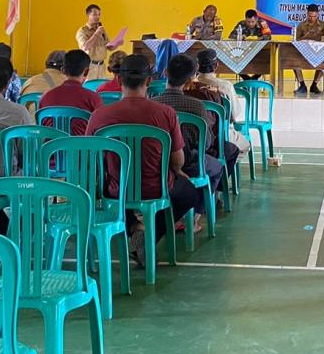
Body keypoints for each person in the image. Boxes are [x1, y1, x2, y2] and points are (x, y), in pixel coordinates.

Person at [85, 55, 203, 267]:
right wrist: (177, 171)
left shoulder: (99, 116)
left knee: (121, 189)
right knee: (190, 194)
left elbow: (90, 158)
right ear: (149, 81)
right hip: (156, 187)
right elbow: (178, 160)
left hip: (115, 188)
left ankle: (135, 229)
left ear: (119, 81)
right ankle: (149, 233)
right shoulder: (165, 113)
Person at [153, 54, 226, 222]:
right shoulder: (196, 106)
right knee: (216, 168)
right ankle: (195, 217)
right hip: (192, 163)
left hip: (159, 164)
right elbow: (206, 143)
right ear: (189, 81)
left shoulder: (153, 104)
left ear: (165, 72)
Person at [195, 49, 252, 155]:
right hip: (222, 134)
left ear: (197, 66)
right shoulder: (226, 86)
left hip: (194, 135)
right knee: (246, 145)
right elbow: (234, 115)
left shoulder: (190, 85)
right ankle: (224, 167)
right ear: (216, 65)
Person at [39, 49, 103, 134]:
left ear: (63, 70)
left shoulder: (46, 97)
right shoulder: (93, 99)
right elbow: (99, 130)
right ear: (86, 71)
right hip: (82, 146)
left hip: (51, 146)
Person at [293, 3, 324, 95]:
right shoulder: (301, 25)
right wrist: (305, 37)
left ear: (317, 15)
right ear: (307, 14)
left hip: (319, 52)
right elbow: (296, 40)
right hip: (304, 53)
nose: (312, 18)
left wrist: (318, 38)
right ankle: (302, 85)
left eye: (314, 16)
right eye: (310, 16)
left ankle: (314, 85)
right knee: (292, 61)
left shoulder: (323, 25)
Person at [230, 9, 272, 81]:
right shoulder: (241, 24)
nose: (250, 24)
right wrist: (240, 37)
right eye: (248, 22)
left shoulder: (263, 23)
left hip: (259, 50)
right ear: (245, 19)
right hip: (244, 50)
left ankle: (254, 78)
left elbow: (268, 36)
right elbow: (231, 36)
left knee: (266, 59)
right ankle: (246, 78)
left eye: (253, 22)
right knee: (235, 59)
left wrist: (258, 38)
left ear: (256, 19)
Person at [76, 3, 109, 81]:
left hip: (101, 66)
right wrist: (97, 33)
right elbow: (85, 47)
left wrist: (116, 43)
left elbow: (107, 45)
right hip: (90, 66)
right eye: (94, 14)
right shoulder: (82, 31)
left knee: (100, 90)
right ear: (88, 15)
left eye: (99, 14)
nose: (97, 17)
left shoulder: (101, 29)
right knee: (89, 89)